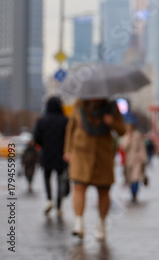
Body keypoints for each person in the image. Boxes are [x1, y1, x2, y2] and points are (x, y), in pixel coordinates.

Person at [64, 99, 125, 241]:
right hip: (81, 153)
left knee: (104, 191)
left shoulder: (111, 106)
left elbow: (122, 130)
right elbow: (70, 128)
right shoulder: (79, 104)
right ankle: (78, 224)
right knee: (78, 187)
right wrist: (68, 150)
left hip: (102, 155)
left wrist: (112, 122)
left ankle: (102, 225)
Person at [33, 96, 69, 217]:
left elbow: (36, 138)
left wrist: (44, 145)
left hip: (46, 154)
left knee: (47, 177)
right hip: (61, 155)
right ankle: (59, 206)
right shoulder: (65, 120)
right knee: (60, 180)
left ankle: (49, 200)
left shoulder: (42, 121)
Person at [120, 115, 147, 203]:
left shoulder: (138, 135)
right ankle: (132, 193)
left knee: (136, 178)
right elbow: (123, 148)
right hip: (127, 162)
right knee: (130, 179)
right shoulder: (124, 136)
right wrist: (129, 139)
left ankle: (135, 194)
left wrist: (143, 158)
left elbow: (141, 148)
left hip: (137, 160)